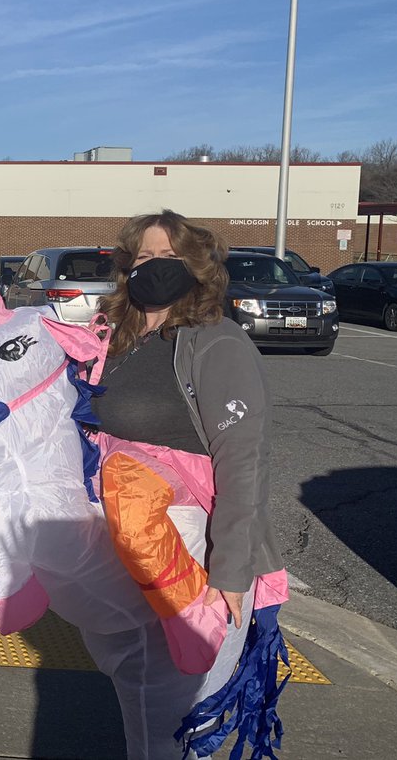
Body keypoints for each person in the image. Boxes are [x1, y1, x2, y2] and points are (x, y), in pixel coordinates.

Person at [94, 210, 283, 622]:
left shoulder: (216, 341)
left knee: (190, 681)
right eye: (144, 257)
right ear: (128, 268)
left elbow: (243, 459)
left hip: (190, 549)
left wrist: (231, 567)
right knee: (131, 683)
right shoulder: (117, 340)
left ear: (197, 267)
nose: (156, 265)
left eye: (170, 255)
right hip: (121, 554)